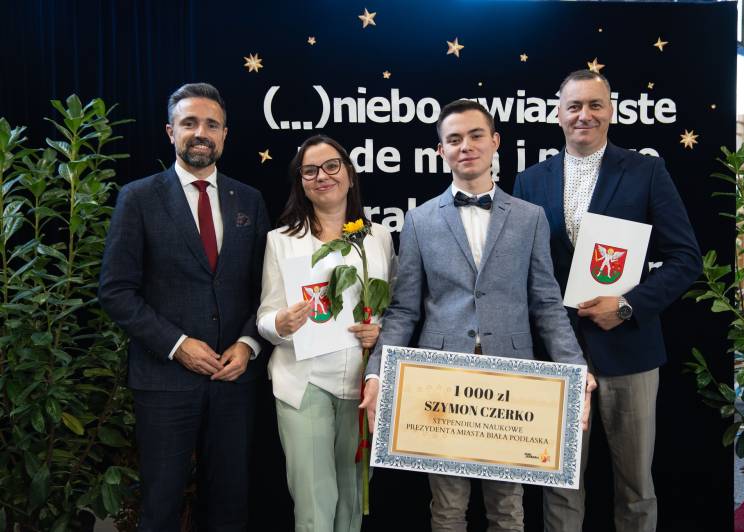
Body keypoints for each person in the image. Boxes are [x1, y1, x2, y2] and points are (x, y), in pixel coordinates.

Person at [361, 99, 595, 532]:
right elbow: (404, 309)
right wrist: (376, 372)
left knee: (508, 509)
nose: (465, 146)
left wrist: (576, 368)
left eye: (475, 136)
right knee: (447, 509)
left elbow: (546, 303)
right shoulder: (419, 220)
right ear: (441, 151)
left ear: (495, 141)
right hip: (441, 380)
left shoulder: (530, 218)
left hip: (512, 380)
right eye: (453, 139)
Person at [513, 69, 702, 532]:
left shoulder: (646, 172)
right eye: (574, 106)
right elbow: (521, 272)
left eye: (595, 105)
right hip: (558, 355)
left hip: (630, 350)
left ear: (611, 111)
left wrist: (627, 305)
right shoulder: (530, 181)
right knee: (559, 486)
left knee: (636, 488)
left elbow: (686, 259)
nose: (585, 115)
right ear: (558, 114)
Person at [99, 82, 270, 531]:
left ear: (225, 135)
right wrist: (178, 345)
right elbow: (116, 290)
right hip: (164, 381)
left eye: (211, 124)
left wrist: (249, 344)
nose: (201, 133)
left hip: (234, 381)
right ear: (170, 131)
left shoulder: (249, 199)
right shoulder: (138, 198)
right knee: (160, 506)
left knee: (229, 506)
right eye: (189, 122)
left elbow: (267, 289)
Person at [256, 135, 395, 532]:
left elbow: (395, 309)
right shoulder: (281, 241)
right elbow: (265, 315)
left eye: (332, 166)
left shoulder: (379, 238)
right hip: (304, 384)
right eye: (310, 171)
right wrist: (280, 324)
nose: (322, 176)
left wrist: (380, 332)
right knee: (315, 506)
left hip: (362, 386)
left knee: (352, 501)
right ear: (301, 183)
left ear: (349, 174)